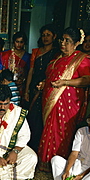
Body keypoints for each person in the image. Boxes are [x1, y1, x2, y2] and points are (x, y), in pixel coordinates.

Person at [38, 27, 90, 172]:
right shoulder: (57, 58)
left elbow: (87, 80)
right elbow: (51, 76)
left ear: (76, 43)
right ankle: (45, 163)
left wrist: (65, 82)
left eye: (67, 41)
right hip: (51, 101)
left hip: (68, 103)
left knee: (62, 132)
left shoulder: (82, 59)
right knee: (49, 130)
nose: (63, 43)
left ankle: (58, 165)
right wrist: (44, 83)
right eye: (62, 39)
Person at [25, 24, 58, 152]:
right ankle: (30, 145)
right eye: (43, 35)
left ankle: (40, 147)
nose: (45, 38)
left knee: (42, 117)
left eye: (48, 35)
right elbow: (31, 71)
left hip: (47, 88)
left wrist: (45, 83)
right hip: (35, 87)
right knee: (32, 116)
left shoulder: (56, 53)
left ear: (54, 36)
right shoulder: (36, 52)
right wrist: (27, 90)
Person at [0, 31, 31, 97]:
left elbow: (30, 72)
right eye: (17, 42)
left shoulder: (28, 56)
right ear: (13, 42)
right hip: (6, 84)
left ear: (24, 43)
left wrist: (22, 79)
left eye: (21, 42)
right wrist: (8, 79)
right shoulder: (5, 54)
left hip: (20, 86)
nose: (19, 44)